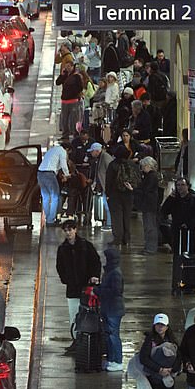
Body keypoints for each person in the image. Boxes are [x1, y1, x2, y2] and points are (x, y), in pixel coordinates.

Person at [55, 219, 101, 352]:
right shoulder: (63, 249)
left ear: (75, 230)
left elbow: (95, 262)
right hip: (72, 289)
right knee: (74, 316)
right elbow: (60, 267)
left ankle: (86, 341)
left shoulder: (86, 246)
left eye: (70, 229)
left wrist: (94, 277)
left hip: (86, 288)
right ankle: (77, 341)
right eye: (66, 230)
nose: (68, 233)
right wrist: (66, 279)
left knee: (87, 315)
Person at [160, 177, 195, 293]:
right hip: (177, 234)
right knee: (178, 259)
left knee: (190, 258)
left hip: (191, 235)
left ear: (187, 186)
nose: (180, 188)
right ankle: (177, 283)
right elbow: (164, 211)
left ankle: (190, 283)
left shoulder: (194, 200)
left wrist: (189, 224)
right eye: (178, 185)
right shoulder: (175, 199)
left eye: (182, 185)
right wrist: (170, 198)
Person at [139, 313, 181, 389]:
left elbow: (179, 357)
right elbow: (144, 358)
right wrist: (159, 369)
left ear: (167, 327)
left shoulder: (172, 341)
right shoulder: (149, 340)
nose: (160, 327)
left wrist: (172, 369)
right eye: (158, 324)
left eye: (162, 325)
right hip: (154, 381)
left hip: (168, 380)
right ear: (154, 326)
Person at [91, 248, 125, 371]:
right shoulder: (111, 271)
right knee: (109, 335)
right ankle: (111, 359)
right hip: (109, 308)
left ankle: (117, 360)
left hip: (113, 310)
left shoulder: (115, 273)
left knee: (113, 335)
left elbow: (115, 291)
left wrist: (97, 290)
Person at [105, 145, 137, 248]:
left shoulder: (112, 165)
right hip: (129, 194)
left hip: (115, 194)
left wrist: (108, 194)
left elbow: (108, 181)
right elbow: (137, 179)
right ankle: (126, 238)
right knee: (126, 216)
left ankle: (117, 238)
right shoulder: (132, 164)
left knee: (116, 216)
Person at [38, 142, 72, 226]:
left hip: (40, 173)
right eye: (68, 153)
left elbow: (55, 165)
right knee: (55, 196)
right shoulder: (62, 151)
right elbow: (63, 165)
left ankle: (48, 218)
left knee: (45, 197)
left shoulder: (52, 150)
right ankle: (51, 220)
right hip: (49, 174)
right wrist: (67, 175)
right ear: (67, 149)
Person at [55, 62, 84, 139]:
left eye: (68, 66)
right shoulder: (65, 75)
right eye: (66, 66)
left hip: (73, 100)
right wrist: (62, 75)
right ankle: (65, 134)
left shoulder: (76, 76)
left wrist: (74, 93)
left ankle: (76, 134)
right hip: (65, 101)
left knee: (75, 119)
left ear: (72, 66)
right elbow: (57, 82)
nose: (67, 68)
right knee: (64, 119)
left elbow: (80, 87)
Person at [137, 157, 160, 255]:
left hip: (150, 205)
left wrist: (134, 190)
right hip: (149, 204)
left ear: (148, 166)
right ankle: (148, 247)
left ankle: (151, 248)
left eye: (143, 166)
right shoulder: (150, 176)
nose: (142, 169)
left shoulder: (151, 176)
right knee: (148, 227)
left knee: (150, 227)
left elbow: (146, 190)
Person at [89, 142, 113, 229]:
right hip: (105, 186)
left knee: (108, 206)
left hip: (108, 186)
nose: (91, 153)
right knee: (107, 206)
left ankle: (110, 224)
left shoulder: (105, 157)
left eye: (92, 151)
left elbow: (110, 171)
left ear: (97, 151)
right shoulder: (100, 158)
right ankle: (109, 223)